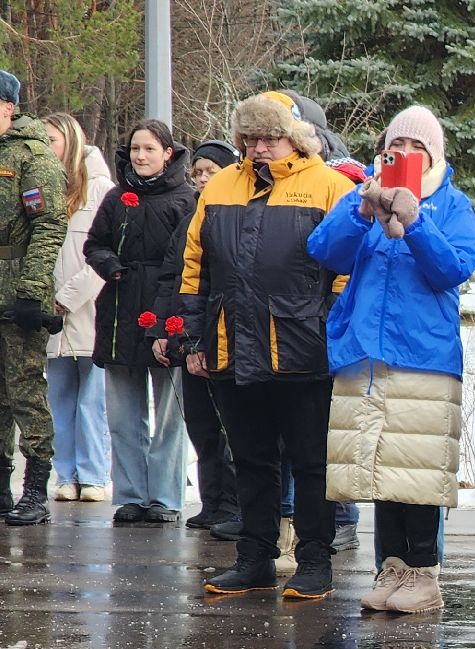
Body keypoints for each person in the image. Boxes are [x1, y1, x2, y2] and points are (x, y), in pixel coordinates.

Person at [180, 92, 357, 598]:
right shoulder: (219, 187)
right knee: (251, 459)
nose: (259, 147)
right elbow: (196, 267)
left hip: (303, 350)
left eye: (270, 138)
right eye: (251, 138)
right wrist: (194, 335)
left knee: (311, 461)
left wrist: (324, 325)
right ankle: (255, 557)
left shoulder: (329, 186)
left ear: (295, 138)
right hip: (231, 344)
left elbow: (347, 269)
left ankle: (315, 561)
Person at [310, 105, 475, 613]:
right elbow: (323, 250)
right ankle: (392, 567)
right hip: (366, 354)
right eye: (396, 146)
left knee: (418, 470)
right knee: (381, 466)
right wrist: (362, 210)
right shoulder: (363, 190)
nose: (404, 155)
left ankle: (423, 573)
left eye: (416, 148)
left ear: (433, 154)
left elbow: (454, 269)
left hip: (423, 353)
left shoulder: (452, 203)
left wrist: (416, 220)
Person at [85, 119, 197, 526]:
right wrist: (110, 265)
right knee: (123, 413)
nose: (140, 156)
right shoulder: (117, 198)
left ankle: (165, 495)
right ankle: (131, 493)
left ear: (168, 153)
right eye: (135, 149)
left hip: (167, 309)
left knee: (169, 412)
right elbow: (93, 243)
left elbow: (188, 259)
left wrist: (174, 318)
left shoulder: (186, 199)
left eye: (149, 149)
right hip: (120, 309)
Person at [0, 69, 71, 527]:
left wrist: (30, 290)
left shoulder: (33, 155)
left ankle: (35, 490)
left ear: (8, 106)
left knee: (25, 389)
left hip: (18, 287)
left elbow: (49, 225)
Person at [163, 140, 243, 533]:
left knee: (229, 424)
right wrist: (166, 330)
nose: (202, 179)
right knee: (201, 424)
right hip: (190, 331)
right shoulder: (189, 220)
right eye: (196, 172)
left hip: (221, 332)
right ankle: (212, 500)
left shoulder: (231, 216)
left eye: (210, 171)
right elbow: (173, 279)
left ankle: (233, 502)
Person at [42, 112, 110, 506]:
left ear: (70, 141)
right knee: (61, 400)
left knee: (93, 402)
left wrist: (66, 297)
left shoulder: (101, 188)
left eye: (53, 139)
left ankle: (94, 475)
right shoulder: (43, 187)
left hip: (90, 311)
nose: (48, 147)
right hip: (52, 318)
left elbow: (102, 257)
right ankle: (65, 474)